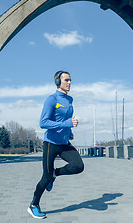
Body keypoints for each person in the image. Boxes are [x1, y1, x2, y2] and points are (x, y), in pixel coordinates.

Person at [28, 71, 84, 219]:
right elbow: (43, 122)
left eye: (71, 80)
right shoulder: (51, 100)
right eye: (66, 80)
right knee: (45, 177)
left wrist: (69, 130)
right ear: (58, 82)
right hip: (51, 144)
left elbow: (65, 118)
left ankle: (55, 173)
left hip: (64, 143)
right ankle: (34, 204)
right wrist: (66, 123)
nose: (69, 83)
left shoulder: (69, 99)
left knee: (78, 166)